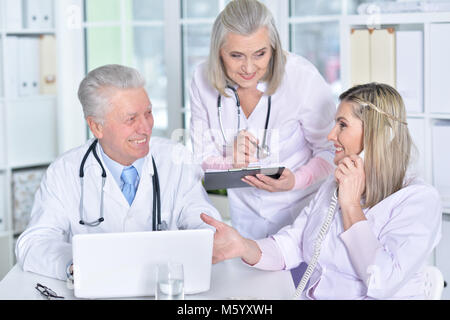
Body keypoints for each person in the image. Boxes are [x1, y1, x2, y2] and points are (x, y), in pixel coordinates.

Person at [200, 83, 442, 299]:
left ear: (377, 136)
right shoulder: (333, 186)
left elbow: (381, 281)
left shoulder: (418, 200)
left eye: (342, 125)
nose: (331, 135)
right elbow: (293, 244)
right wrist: (243, 246)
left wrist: (351, 207)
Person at [15, 64, 221, 281]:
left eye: (148, 113)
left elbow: (204, 221)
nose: (146, 127)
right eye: (131, 119)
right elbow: (34, 242)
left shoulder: (176, 160)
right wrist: (73, 264)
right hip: (97, 291)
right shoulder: (64, 172)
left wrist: (206, 237)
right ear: (96, 127)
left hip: (162, 287)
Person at [189, 0, 336, 240]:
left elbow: (332, 151)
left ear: (273, 48)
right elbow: (201, 158)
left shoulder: (302, 77)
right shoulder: (201, 80)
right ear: (218, 52)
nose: (248, 67)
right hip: (246, 219)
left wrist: (295, 181)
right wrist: (231, 162)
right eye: (236, 55)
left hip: (304, 213)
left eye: (260, 54)